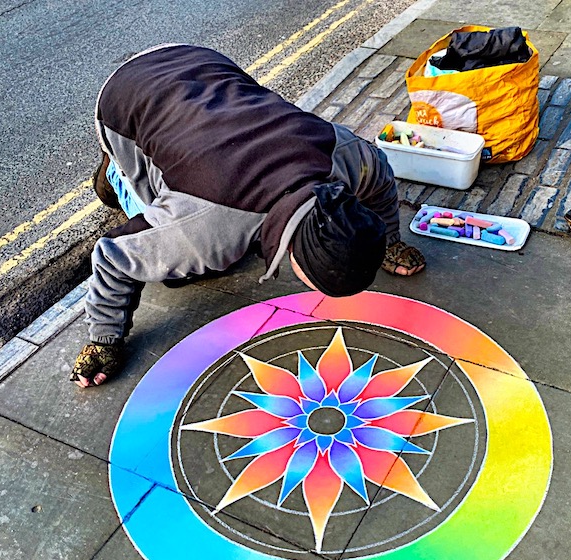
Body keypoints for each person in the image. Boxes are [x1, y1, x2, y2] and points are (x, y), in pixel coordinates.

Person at [71, 44, 425, 388]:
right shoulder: (200, 231)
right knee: (183, 271)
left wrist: (390, 242)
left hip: (205, 69)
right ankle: (114, 176)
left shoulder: (349, 157)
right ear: (296, 260)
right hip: (130, 93)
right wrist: (104, 339)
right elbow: (113, 257)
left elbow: (379, 182)